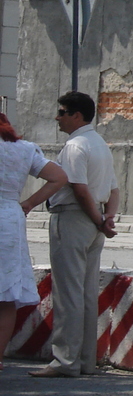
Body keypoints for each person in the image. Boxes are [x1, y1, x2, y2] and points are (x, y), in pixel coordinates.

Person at [29, 92, 119, 379]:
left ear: (76, 116)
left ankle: (64, 361)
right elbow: (114, 190)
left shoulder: (75, 146)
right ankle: (85, 361)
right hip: (96, 221)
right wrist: (107, 219)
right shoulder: (100, 144)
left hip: (73, 218)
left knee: (68, 293)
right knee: (86, 292)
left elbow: (79, 190)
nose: (58, 117)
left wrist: (97, 219)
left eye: (62, 111)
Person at [1, 113, 68, 372]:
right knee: (5, 295)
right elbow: (58, 177)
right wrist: (29, 203)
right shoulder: (24, 149)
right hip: (9, 217)